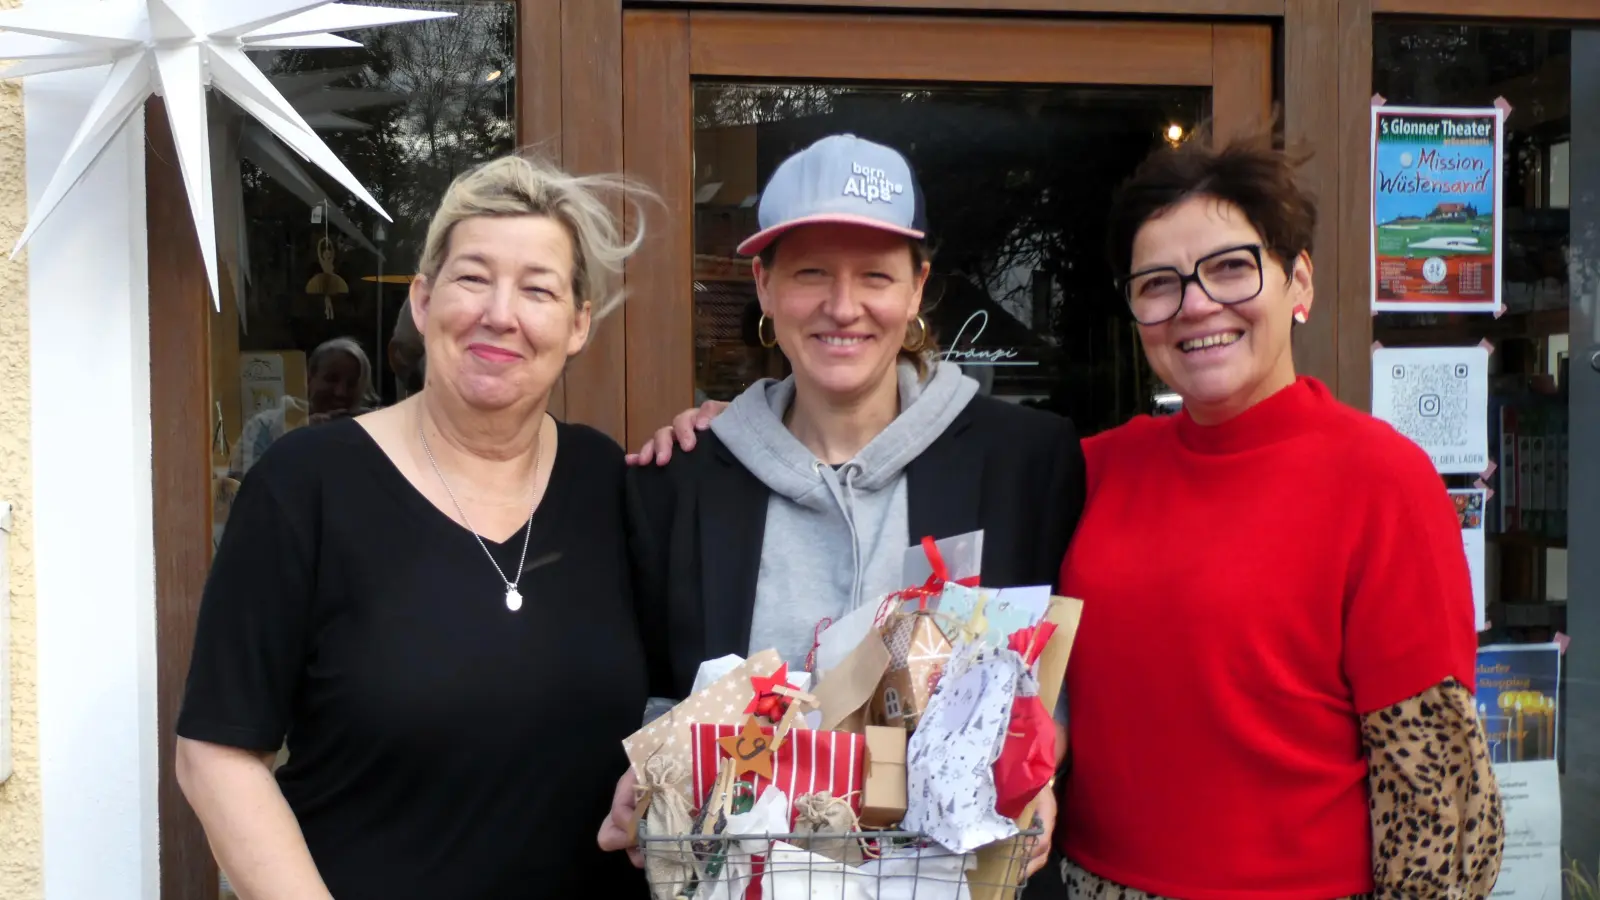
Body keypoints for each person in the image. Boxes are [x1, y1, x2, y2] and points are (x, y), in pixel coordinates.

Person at [632, 132, 1507, 900]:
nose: (1197, 304)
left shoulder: (1380, 478)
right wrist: (724, 431)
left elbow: (1433, 782)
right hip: (1089, 884)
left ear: (1298, 281)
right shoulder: (1103, 467)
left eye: (1232, 269)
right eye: (1160, 283)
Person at [599, 133, 1084, 887]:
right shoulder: (681, 482)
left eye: (876, 276)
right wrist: (652, 775)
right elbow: (660, 690)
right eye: (811, 273)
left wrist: (1045, 766)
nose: (843, 306)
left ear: (919, 287)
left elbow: (1051, 681)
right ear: (762, 285)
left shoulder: (1023, 462)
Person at [176, 152, 656, 899]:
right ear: (424, 301)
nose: (501, 313)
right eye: (472, 278)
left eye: (538, 289)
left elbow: (688, 703)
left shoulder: (609, 483)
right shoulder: (306, 487)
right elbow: (214, 753)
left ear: (577, 325)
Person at [232, 336, 379, 475]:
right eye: (331, 379)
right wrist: (304, 438)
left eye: (352, 384)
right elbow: (249, 489)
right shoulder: (265, 427)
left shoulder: (370, 436)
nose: (340, 392)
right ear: (309, 378)